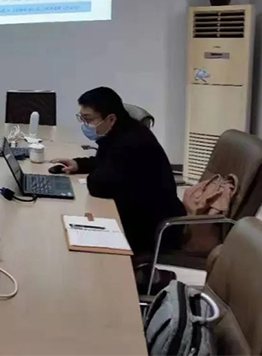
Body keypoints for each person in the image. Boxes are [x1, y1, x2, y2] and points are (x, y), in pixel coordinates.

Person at [52, 87, 186, 256]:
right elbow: (106, 162)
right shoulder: (121, 131)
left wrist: (93, 175)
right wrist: (78, 164)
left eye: (88, 119)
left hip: (150, 226)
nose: (85, 125)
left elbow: (99, 185)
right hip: (139, 210)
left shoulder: (131, 142)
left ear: (111, 118)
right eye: (81, 118)